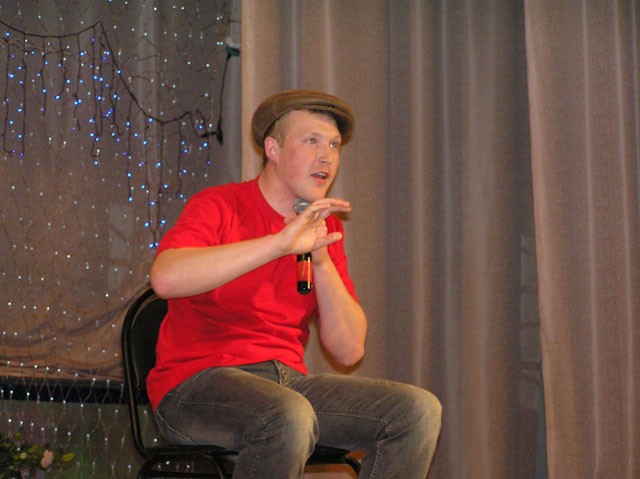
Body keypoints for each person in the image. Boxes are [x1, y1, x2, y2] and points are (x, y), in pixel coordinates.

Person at [147, 89, 442, 478]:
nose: (327, 157)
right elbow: (165, 279)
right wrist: (279, 244)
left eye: (334, 145)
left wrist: (320, 257)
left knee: (416, 411)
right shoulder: (220, 204)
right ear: (273, 148)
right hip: (196, 387)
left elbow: (349, 350)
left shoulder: (326, 229)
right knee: (287, 414)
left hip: (286, 383)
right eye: (311, 141)